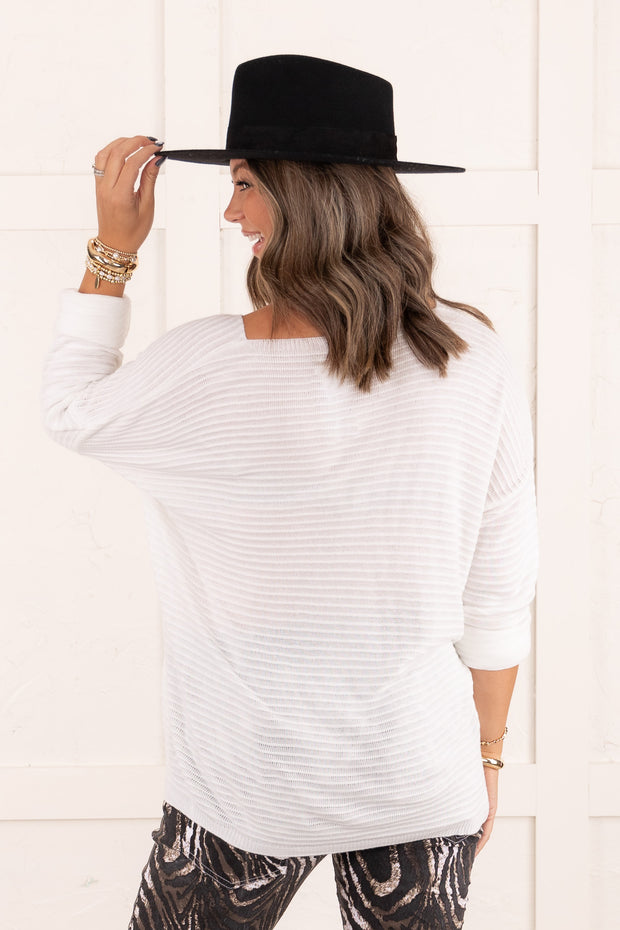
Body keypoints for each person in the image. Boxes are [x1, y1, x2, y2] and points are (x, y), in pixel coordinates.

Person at [41, 55, 538, 930]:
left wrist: (113, 248)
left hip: (246, 784)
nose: (231, 212)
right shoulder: (472, 356)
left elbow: (70, 410)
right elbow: (499, 587)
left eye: (243, 184)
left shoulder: (206, 365)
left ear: (306, 194)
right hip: (421, 776)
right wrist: (487, 759)